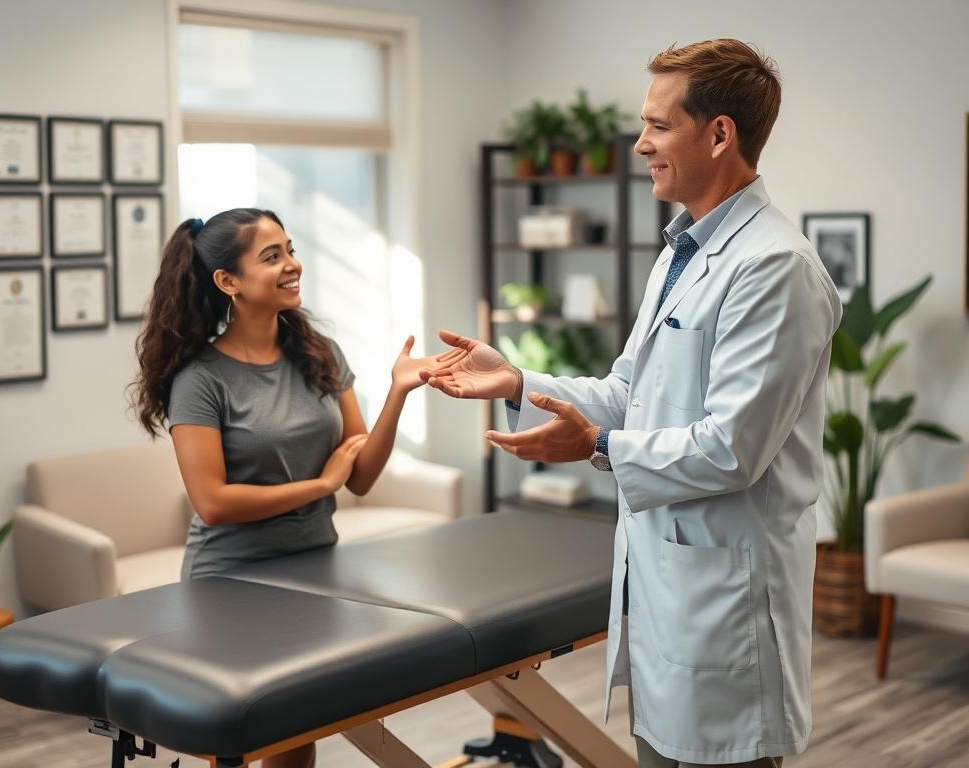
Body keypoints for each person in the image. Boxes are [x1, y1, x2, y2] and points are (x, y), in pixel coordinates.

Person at [422, 40, 842, 767]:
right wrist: (519, 382)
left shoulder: (773, 266)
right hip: (669, 596)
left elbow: (731, 449)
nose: (640, 143)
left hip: (729, 607)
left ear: (719, 134)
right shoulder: (681, 252)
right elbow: (628, 394)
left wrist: (594, 446)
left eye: (657, 125)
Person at [130, 208, 462, 768]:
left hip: (313, 566)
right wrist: (319, 484)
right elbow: (212, 503)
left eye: (290, 249)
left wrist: (399, 392)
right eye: (272, 256)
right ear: (227, 282)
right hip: (230, 582)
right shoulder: (201, 379)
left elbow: (359, 475)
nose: (293, 264)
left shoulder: (319, 354)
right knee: (238, 743)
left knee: (296, 737)